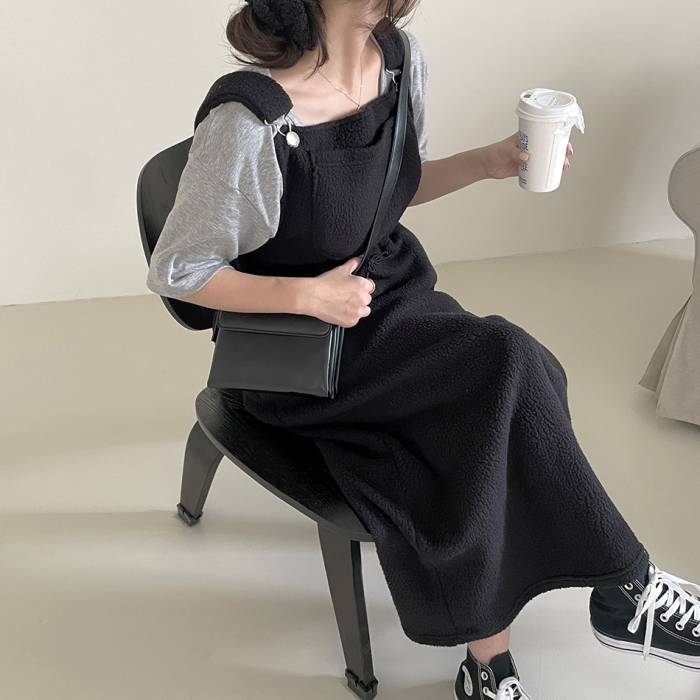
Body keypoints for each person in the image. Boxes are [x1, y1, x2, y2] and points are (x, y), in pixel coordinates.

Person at [146, 1, 700, 697]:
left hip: (393, 300)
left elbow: (389, 193)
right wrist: (308, 296)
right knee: (506, 366)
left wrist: (487, 162)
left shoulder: (399, 63)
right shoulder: (250, 120)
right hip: (304, 351)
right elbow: (179, 272)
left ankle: (494, 661)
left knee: (514, 383)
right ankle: (623, 591)